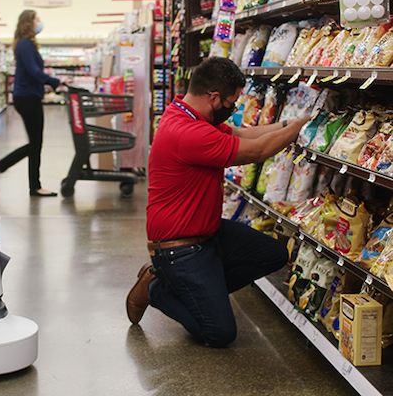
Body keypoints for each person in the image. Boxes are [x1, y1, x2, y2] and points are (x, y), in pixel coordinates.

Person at [125, 57, 311, 348]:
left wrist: (288, 124)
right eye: (232, 101)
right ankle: (156, 288)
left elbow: (242, 133)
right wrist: (300, 129)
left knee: (274, 253)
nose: (233, 108)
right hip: (179, 247)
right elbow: (257, 150)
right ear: (214, 98)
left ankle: (199, 292)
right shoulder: (187, 132)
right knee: (220, 333)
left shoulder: (188, 114)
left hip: (208, 233)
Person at [0, 10, 61, 197]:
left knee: (35, 143)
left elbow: (31, 72)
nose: (39, 23)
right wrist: (54, 81)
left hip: (27, 96)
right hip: (27, 97)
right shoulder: (25, 44)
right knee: (35, 143)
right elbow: (34, 71)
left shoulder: (25, 44)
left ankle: (4, 168)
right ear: (29, 22)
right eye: (37, 20)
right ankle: (33, 185)